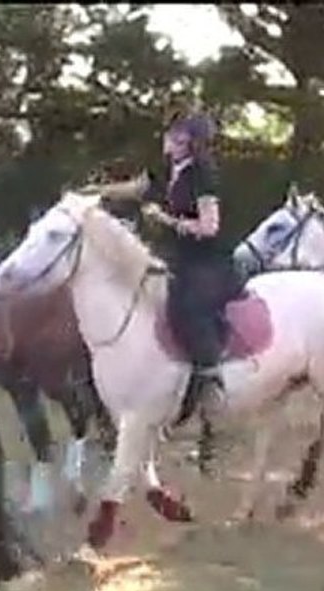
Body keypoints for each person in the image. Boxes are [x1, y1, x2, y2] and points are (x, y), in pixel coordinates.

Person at [101, 112, 237, 410]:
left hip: (205, 260)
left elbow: (208, 226)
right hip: (173, 254)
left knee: (186, 306)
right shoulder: (167, 169)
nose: (169, 139)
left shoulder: (203, 174)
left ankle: (209, 375)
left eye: (178, 135)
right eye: (171, 132)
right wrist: (96, 193)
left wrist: (166, 220)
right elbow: (136, 187)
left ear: (191, 142)